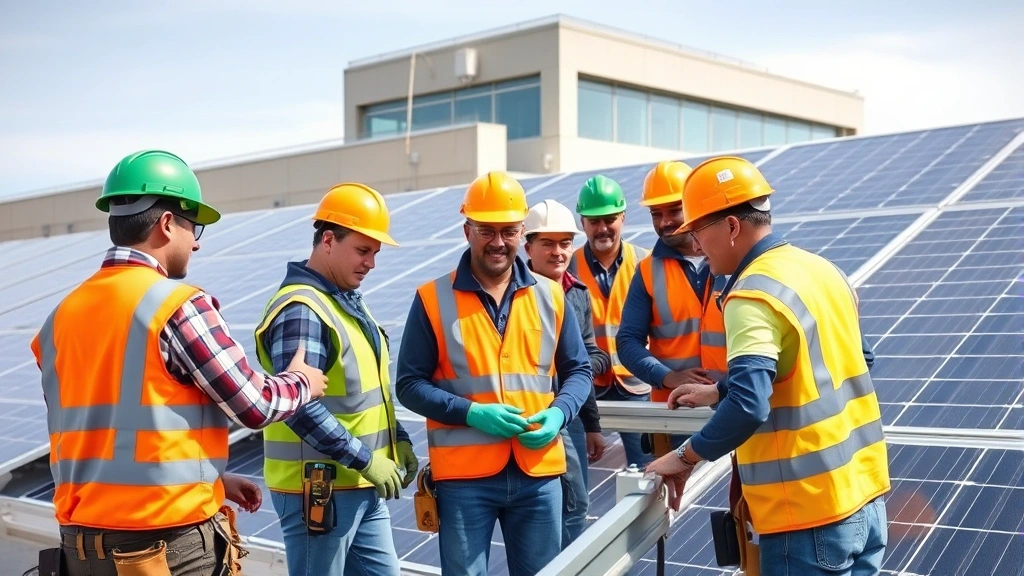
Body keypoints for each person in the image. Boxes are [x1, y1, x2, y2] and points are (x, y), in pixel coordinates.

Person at [29, 149, 328, 576]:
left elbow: (102, 435)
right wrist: (301, 381)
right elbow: (255, 405)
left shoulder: (60, 317)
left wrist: (211, 478)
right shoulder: (176, 305)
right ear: (167, 223)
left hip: (80, 551)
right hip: (166, 550)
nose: (197, 242)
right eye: (194, 227)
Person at [645, 156, 889, 576]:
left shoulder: (750, 295)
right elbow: (849, 359)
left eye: (698, 231)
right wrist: (720, 389)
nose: (696, 246)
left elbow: (749, 406)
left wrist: (683, 458)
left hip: (806, 517)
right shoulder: (823, 269)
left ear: (731, 226)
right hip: (865, 499)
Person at [396, 172, 592, 576]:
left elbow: (578, 370)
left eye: (508, 231)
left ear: (522, 232)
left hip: (538, 472)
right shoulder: (432, 298)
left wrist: (559, 414)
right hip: (464, 479)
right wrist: (471, 413)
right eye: (487, 230)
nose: (498, 242)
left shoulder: (552, 295)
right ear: (467, 230)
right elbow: (409, 385)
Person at [254, 183, 419, 576]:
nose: (371, 263)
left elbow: (369, 392)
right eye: (363, 250)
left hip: (360, 484)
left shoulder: (343, 302)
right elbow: (297, 405)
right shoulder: (303, 310)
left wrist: (397, 439)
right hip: (321, 491)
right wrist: (366, 460)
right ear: (328, 240)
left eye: (375, 253)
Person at [616, 160, 728, 465]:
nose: (664, 222)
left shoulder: (733, 259)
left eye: (673, 210)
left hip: (733, 406)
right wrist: (667, 377)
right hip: (673, 415)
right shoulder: (647, 271)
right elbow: (627, 342)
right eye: (656, 213)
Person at [522, 199, 610, 547]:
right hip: (532, 414)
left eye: (565, 243)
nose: (558, 252)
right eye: (547, 243)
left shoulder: (577, 293)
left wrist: (592, 425)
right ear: (528, 248)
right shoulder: (515, 294)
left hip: (569, 414)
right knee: (556, 506)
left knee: (575, 504)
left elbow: (587, 358)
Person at [568, 175, 651, 468]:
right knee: (575, 471)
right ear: (582, 223)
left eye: (610, 219)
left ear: (623, 218)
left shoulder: (646, 262)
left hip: (636, 384)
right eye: (594, 221)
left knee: (646, 471)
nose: (602, 228)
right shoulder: (566, 267)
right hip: (586, 385)